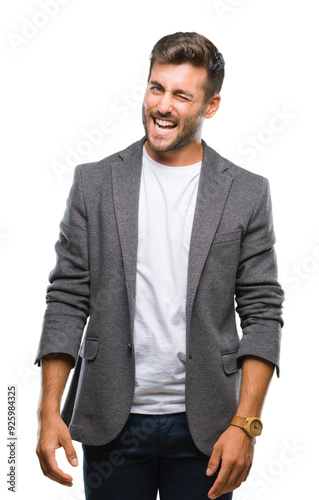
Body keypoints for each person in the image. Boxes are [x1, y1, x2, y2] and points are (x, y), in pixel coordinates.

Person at [35, 32, 284, 500]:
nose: (163, 106)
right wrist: (49, 412)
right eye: (156, 88)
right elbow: (67, 297)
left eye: (181, 95)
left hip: (209, 429)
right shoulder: (94, 183)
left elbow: (263, 311)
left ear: (210, 107)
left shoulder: (247, 192)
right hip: (112, 423)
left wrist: (245, 425)